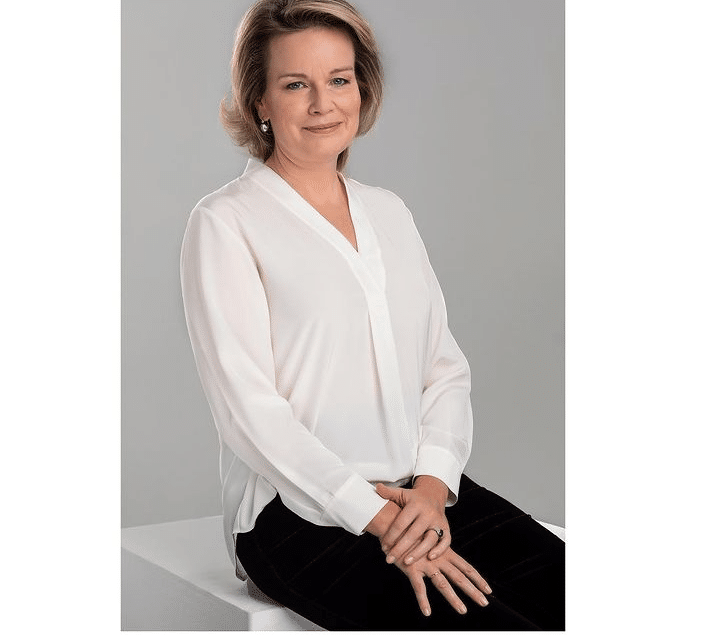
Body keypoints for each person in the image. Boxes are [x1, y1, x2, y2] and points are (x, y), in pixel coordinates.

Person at [180, 0, 564, 631]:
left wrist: (433, 490)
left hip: (419, 492)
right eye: (295, 84)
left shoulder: (389, 212)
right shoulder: (227, 223)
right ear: (259, 101)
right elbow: (248, 410)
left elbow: (443, 368)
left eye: (339, 79)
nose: (323, 104)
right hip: (296, 514)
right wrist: (382, 521)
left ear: (362, 88)